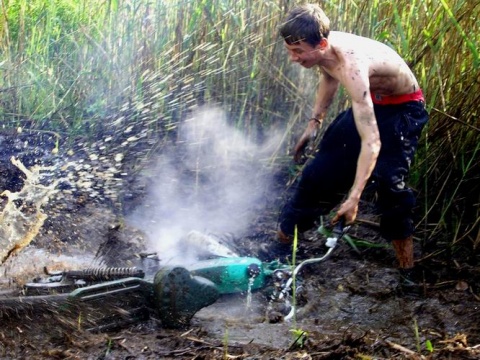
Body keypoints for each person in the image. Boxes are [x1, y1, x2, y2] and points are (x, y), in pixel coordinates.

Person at [262, 4, 428, 285]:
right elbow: (329, 76)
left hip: (402, 110)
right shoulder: (322, 49)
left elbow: (372, 142)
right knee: (318, 172)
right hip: (372, 100)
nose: (293, 58)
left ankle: (407, 273)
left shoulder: (353, 66)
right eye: (290, 50)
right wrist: (314, 123)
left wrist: (354, 198)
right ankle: (282, 245)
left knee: (390, 184)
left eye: (298, 51)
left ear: (321, 44)